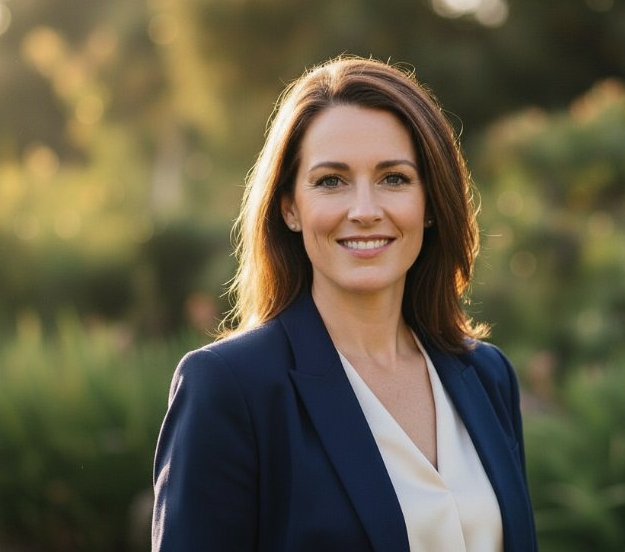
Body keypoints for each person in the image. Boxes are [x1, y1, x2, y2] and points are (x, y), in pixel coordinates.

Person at [152, 56, 538, 552]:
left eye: (394, 178)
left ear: (430, 203)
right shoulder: (231, 388)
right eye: (331, 181)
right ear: (290, 206)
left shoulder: (487, 375)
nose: (364, 211)